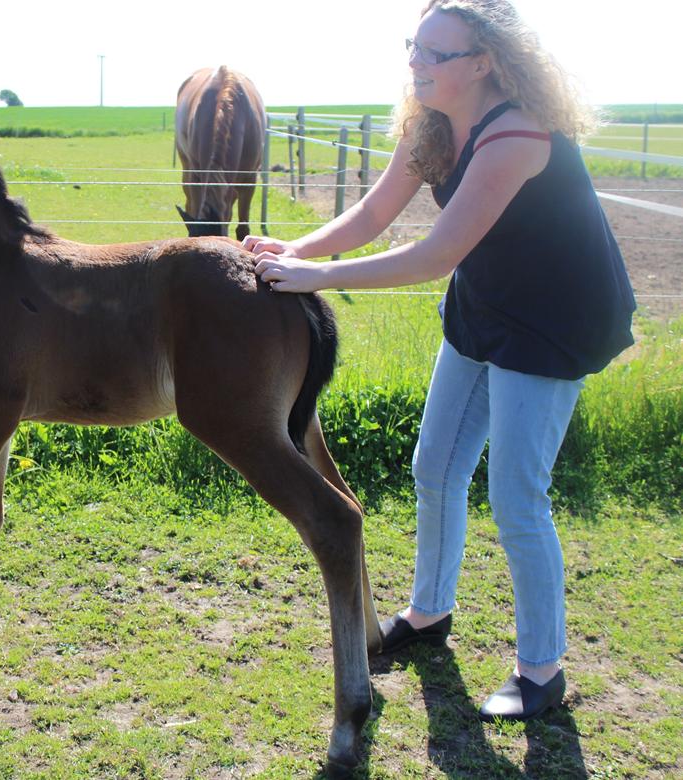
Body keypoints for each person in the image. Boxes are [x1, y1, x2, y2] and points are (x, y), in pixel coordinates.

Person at [243, 0, 635, 722]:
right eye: (413, 47)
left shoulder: (517, 136)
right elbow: (370, 216)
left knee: (518, 497)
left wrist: (318, 278)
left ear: (483, 62)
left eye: (434, 52)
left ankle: (542, 671)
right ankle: (429, 615)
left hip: (550, 324)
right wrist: (295, 251)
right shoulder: (429, 125)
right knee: (435, 466)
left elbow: (436, 253)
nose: (415, 63)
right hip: (483, 310)